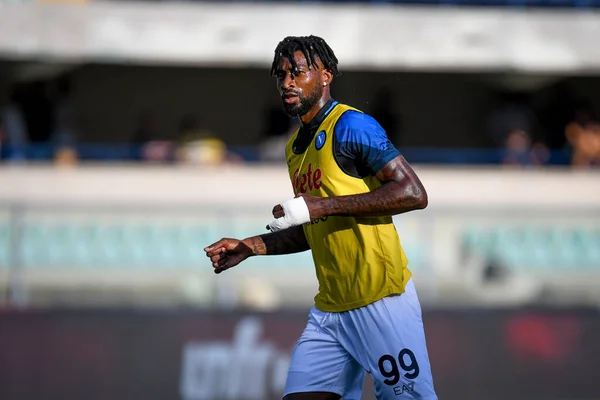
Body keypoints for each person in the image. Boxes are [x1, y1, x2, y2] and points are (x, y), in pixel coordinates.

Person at [204, 35, 437, 400]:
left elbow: (413, 193)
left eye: (297, 72)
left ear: (325, 75)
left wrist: (322, 206)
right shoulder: (294, 148)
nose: (287, 83)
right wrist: (249, 246)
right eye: (281, 75)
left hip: (381, 300)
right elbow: (314, 228)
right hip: (331, 312)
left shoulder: (352, 126)